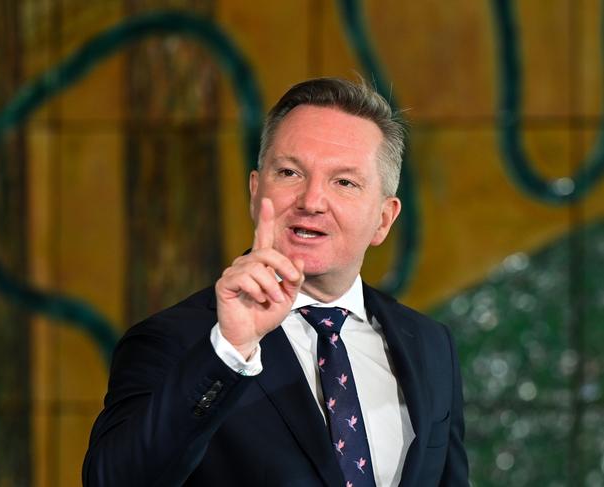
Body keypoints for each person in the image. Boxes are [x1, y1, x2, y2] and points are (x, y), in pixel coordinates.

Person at [82, 77, 469, 487]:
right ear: (255, 192)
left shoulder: (429, 344)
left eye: (344, 182)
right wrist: (231, 349)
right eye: (289, 172)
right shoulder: (176, 340)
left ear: (383, 219)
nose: (311, 201)